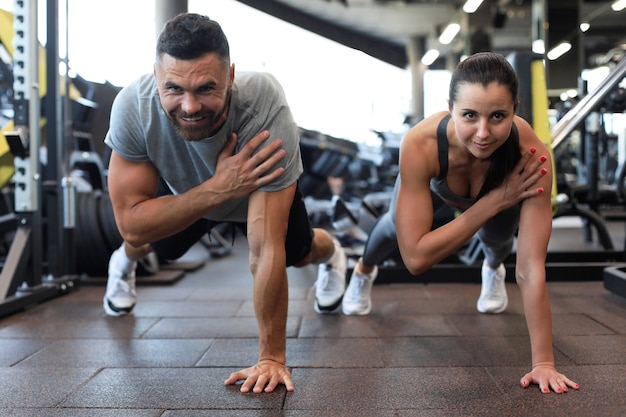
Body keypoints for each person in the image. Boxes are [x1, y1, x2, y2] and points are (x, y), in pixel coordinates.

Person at [102, 13, 348, 393]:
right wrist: (217, 188)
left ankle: (334, 256)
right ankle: (122, 264)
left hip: (253, 190)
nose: (189, 105)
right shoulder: (133, 108)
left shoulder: (264, 105)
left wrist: (271, 358)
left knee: (296, 253)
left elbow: (264, 250)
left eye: (205, 88)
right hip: (195, 192)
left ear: (230, 76)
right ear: (155, 77)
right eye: (174, 89)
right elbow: (131, 222)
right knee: (147, 240)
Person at [341, 52, 580, 394]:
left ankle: (492, 268)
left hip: (500, 190)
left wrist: (544, 363)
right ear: (449, 107)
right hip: (446, 186)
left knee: (498, 240)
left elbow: (529, 267)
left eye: (498, 116)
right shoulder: (420, 144)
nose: (483, 132)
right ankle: (363, 271)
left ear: (515, 109)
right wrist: (495, 200)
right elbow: (416, 260)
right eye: (469, 115)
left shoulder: (530, 152)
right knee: (394, 224)